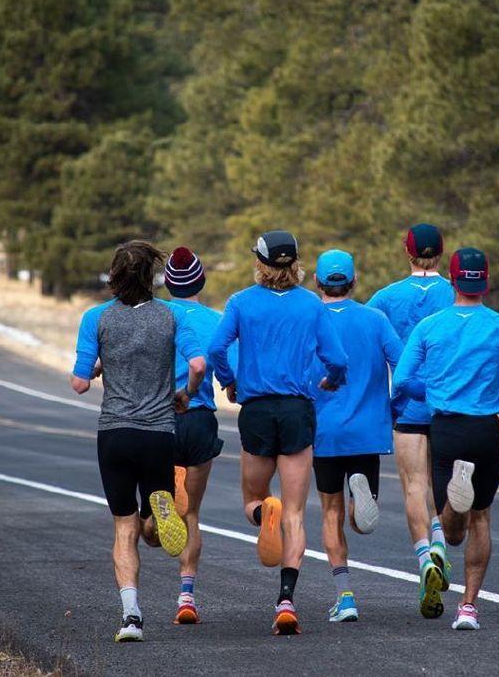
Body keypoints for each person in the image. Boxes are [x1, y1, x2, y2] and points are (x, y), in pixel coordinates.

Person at [393, 247, 499, 631]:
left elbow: (403, 381)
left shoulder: (429, 326)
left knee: (451, 530)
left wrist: (431, 391)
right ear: (485, 281)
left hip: (446, 427)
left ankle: (450, 511)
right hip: (484, 430)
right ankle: (468, 607)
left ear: (453, 280)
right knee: (481, 518)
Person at [208, 230, 348, 635]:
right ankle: (286, 600)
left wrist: (229, 381)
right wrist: (332, 380)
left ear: (261, 263)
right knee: (295, 512)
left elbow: (216, 349)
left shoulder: (241, 302)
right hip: (297, 410)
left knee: (253, 498)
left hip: (256, 409)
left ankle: (261, 513)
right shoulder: (311, 305)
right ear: (296, 263)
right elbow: (337, 359)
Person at [70, 240, 206, 643]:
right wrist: (186, 394)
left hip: (114, 433)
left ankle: (131, 616)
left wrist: (99, 366)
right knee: (151, 528)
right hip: (158, 432)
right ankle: (156, 511)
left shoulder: (96, 318)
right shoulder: (171, 316)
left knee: (123, 526)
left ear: (114, 275)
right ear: (153, 277)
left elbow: (79, 384)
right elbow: (198, 364)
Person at [367, 223, 455, 618]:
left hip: (407, 406)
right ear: (441, 252)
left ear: (408, 253)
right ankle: (441, 543)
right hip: (450, 406)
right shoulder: (456, 293)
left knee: (414, 486)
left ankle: (425, 559)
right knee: (444, 486)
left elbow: (361, 333)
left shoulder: (386, 297)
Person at [308, 249, 402, 623]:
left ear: (317, 283)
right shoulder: (375, 318)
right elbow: (403, 364)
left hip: (325, 431)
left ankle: (345, 597)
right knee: (359, 521)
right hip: (367, 431)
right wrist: (395, 406)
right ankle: (360, 503)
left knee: (330, 513)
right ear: (354, 281)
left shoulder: (309, 319)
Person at [163, 246, 237, 625]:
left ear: (167, 284)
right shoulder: (217, 321)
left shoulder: (156, 316)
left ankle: (153, 517)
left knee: (152, 512)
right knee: (192, 513)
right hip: (198, 418)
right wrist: (233, 388)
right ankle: (186, 596)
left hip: (158, 419)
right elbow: (230, 373)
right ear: (201, 281)